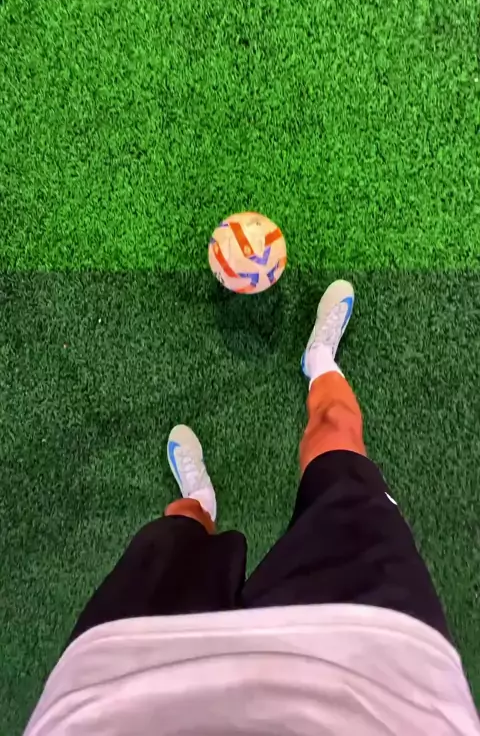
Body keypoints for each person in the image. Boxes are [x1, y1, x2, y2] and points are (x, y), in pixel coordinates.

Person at [24, 281, 479, 736]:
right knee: (340, 453)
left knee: (174, 537)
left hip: (119, 683)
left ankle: (201, 501)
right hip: (380, 664)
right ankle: (320, 364)